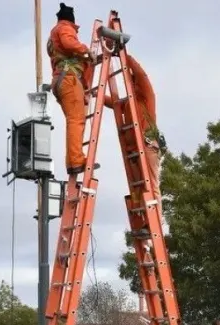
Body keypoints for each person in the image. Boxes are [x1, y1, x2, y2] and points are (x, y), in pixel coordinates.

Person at [46, 3, 100, 176]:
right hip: (68, 79)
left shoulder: (54, 33)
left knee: (73, 120)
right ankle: (76, 161)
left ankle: (73, 161)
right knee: (76, 120)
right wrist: (85, 50)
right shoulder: (64, 28)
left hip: (61, 81)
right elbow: (69, 43)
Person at [102, 53, 165, 192]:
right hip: (134, 150)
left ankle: (156, 214)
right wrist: (97, 95)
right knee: (138, 189)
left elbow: (142, 75)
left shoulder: (147, 97)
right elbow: (114, 103)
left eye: (133, 80)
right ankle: (142, 213)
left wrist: (125, 57)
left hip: (147, 146)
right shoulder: (130, 102)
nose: (130, 83)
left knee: (151, 188)